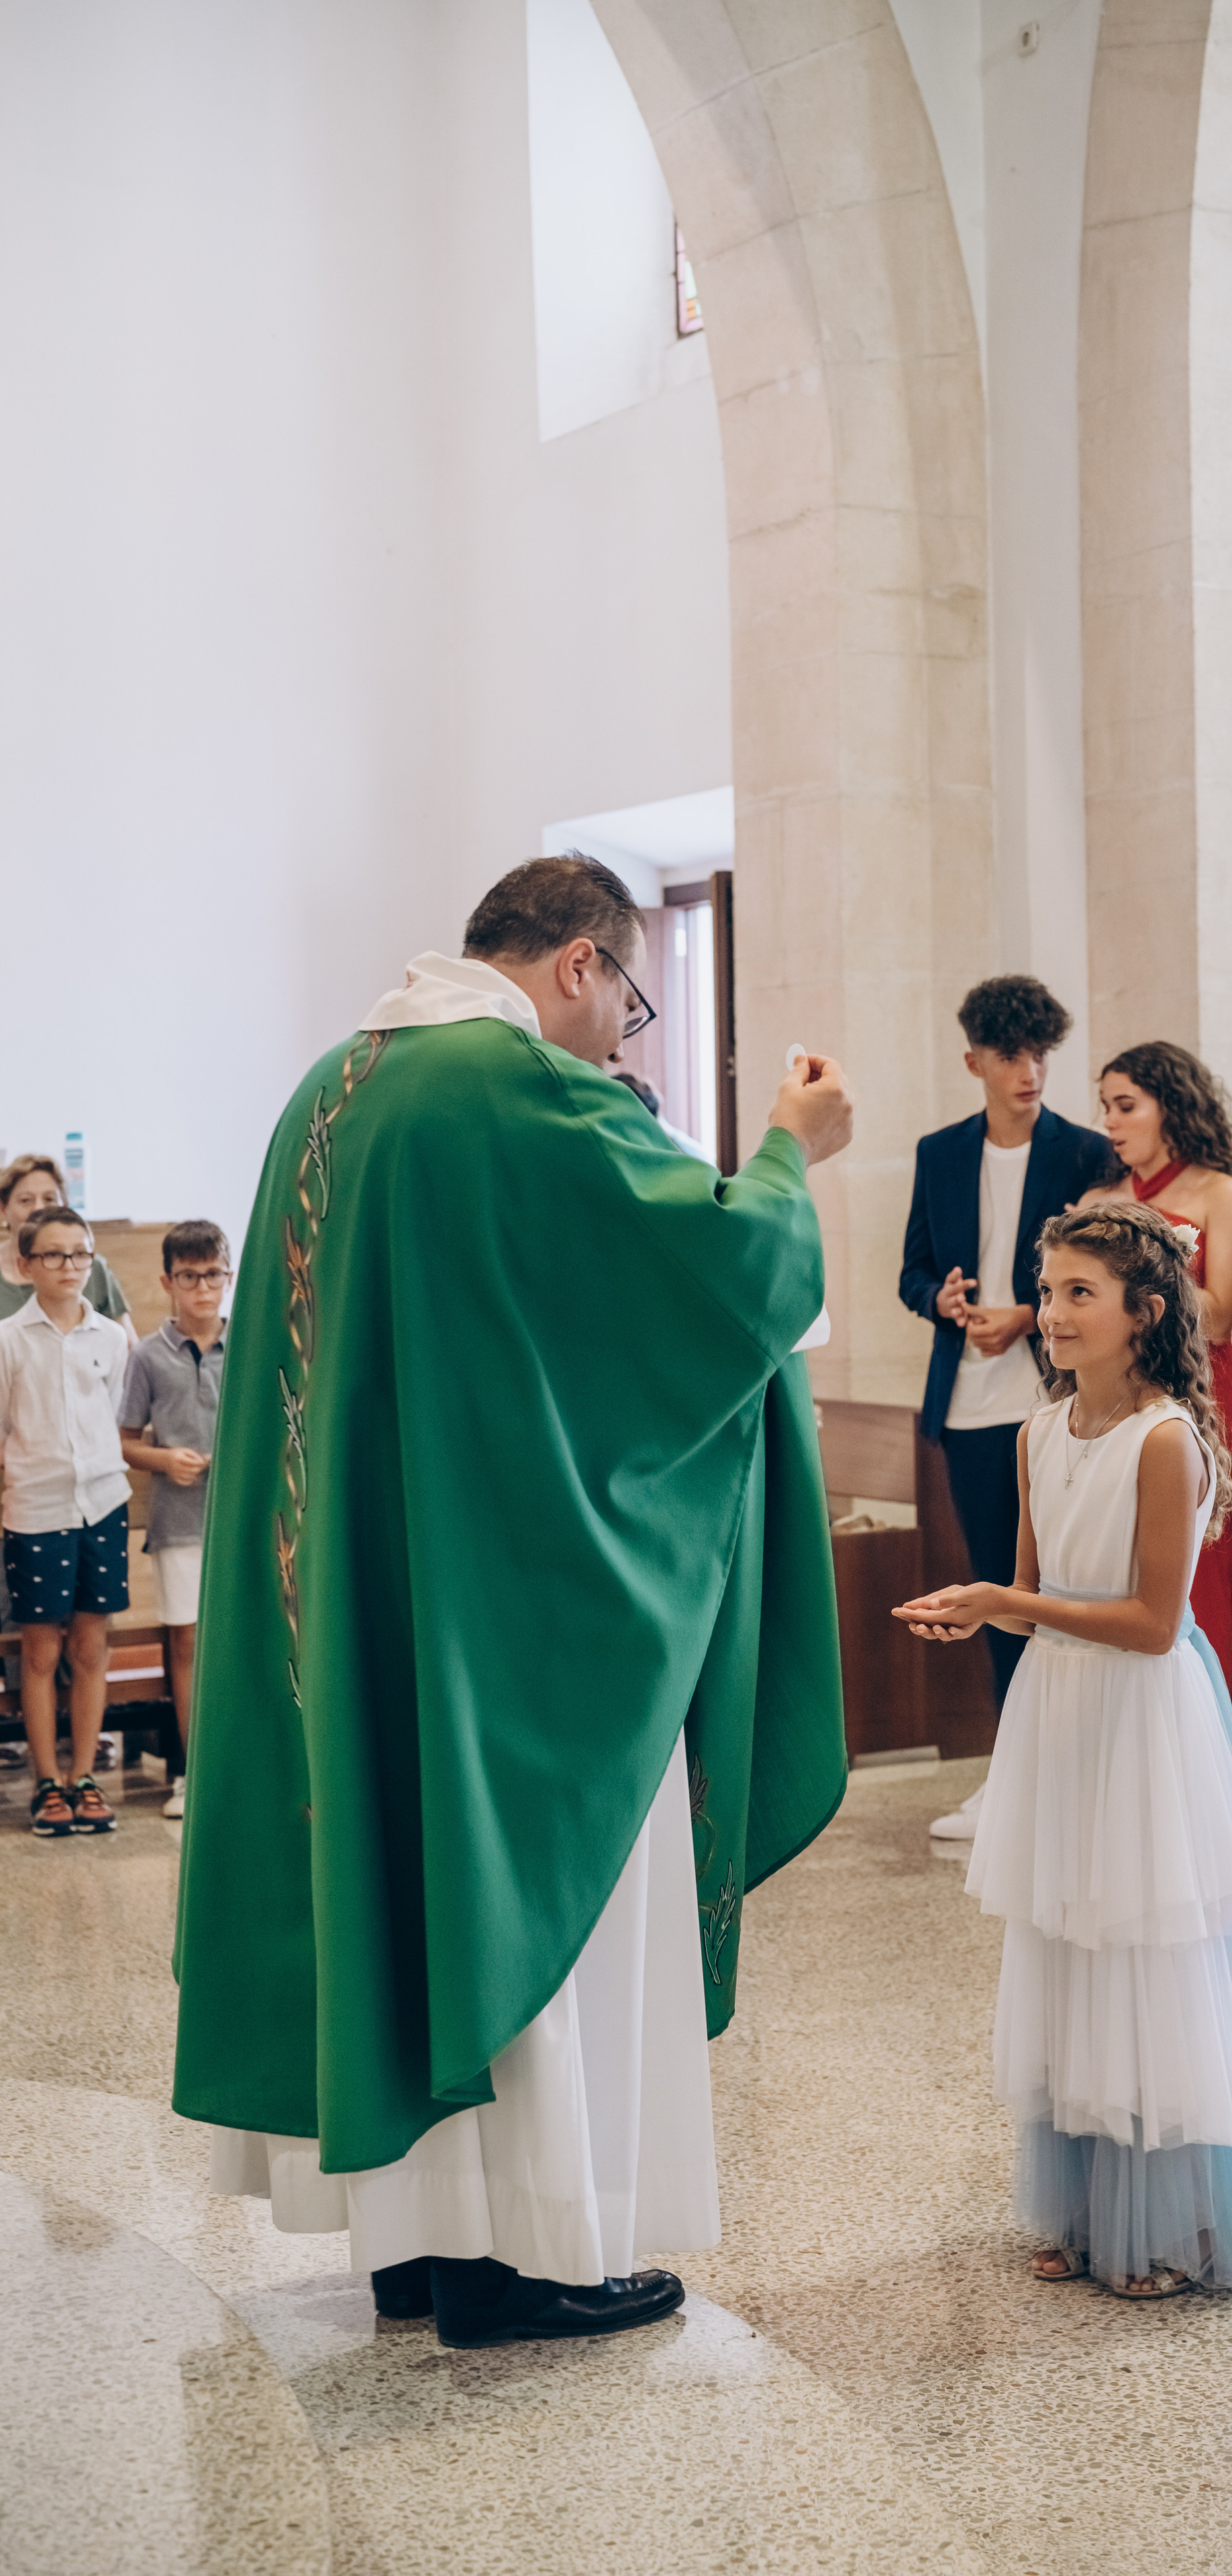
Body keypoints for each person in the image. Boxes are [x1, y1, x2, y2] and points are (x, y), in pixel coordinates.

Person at [172, 856, 853, 2350]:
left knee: (396, 1884)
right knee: (533, 1890)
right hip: (508, 1622)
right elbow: (728, 1273)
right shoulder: (517, 1091)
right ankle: (522, 2259)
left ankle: (419, 2251)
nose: (627, 1034)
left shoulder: (333, 1091)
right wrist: (795, 1150)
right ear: (575, 966)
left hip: (366, 1592)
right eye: (630, 998)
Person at [893, 1203, 1232, 2298]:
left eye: (1081, 1294)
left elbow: (1154, 1623)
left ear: (1143, 1313)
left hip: (1140, 1718)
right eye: (1052, 1290)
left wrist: (1007, 1597)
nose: (1057, 1315)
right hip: (1061, 1712)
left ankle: (1169, 2221)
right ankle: (1082, 2210)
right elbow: (1035, 1603)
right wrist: (982, 1611)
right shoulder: (1037, 1431)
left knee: (1141, 1960)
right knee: (1068, 1948)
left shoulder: (1164, 1442)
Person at [899, 975, 1111, 1843]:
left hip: (1060, 1402)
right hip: (972, 1409)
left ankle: (1074, 1781)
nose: (1029, 1072)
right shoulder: (940, 1152)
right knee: (1001, 1594)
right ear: (973, 1061)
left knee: (1061, 1593)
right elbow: (910, 1271)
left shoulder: (1086, 1152)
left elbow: (1104, 1267)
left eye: (1040, 1054)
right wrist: (943, 1301)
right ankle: (1012, 1782)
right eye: (1011, 1056)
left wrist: (1033, 1311)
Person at [1078, 1042, 1232, 1681]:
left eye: (1127, 1106)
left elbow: (1222, 1313)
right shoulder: (1096, 1197)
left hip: (1196, 1391)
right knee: (1110, 1556)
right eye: (1106, 1108)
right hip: (1111, 1394)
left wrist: (1131, 1275)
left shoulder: (1221, 1193)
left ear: (1172, 1107)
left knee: (1195, 1562)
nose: (1112, 1123)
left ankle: (1200, 1732)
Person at [0, 1203, 128, 1837]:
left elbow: (112, 1412)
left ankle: (85, 1776)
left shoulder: (110, 1336)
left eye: (80, 1253)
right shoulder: (8, 1339)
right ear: (26, 1265)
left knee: (91, 1644)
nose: (69, 1266)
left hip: (102, 1502)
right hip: (37, 1507)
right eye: (52, 1254)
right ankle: (47, 1781)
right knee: (42, 1648)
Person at [118, 1222, 231, 1820]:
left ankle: (245, 1765)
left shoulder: (251, 1344)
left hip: (239, 1521)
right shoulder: (146, 1356)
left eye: (213, 1274)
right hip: (179, 1521)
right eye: (189, 1276)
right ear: (168, 1282)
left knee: (242, 1640)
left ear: (228, 1276)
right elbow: (125, 1441)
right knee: (185, 1642)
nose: (203, 1288)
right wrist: (165, 1459)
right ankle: (193, 1773)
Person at [0, 1157, 136, 1340]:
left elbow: (127, 1346)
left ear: (64, 1206)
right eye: (26, 1201)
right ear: (3, 1208)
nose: (39, 1208)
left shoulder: (91, 1267)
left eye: (49, 1199)